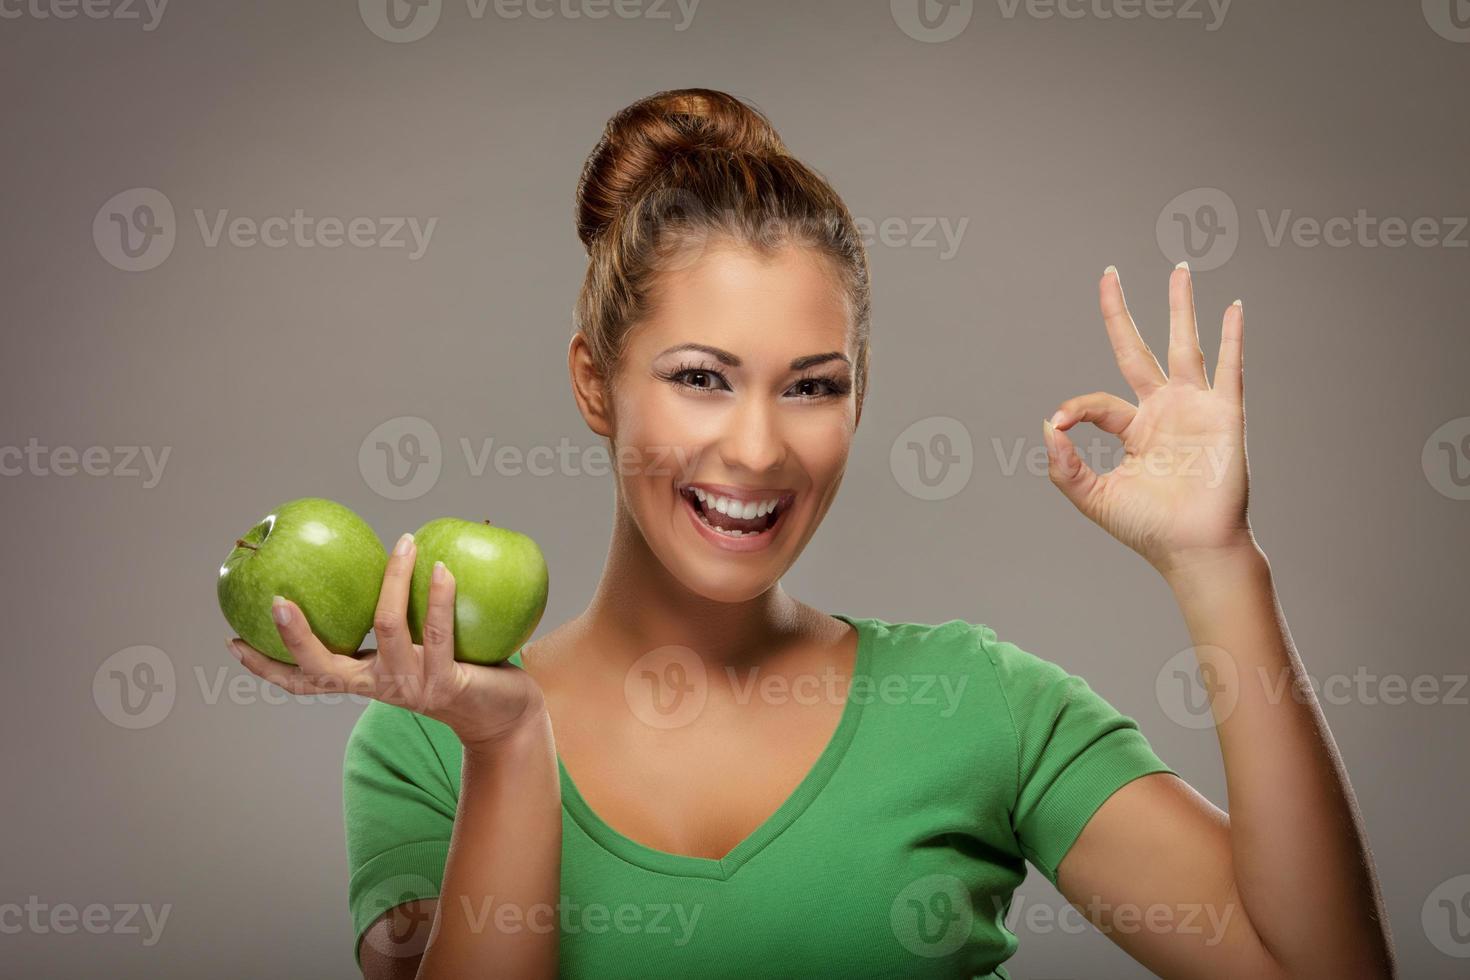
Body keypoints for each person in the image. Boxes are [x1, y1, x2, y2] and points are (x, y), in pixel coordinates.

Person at [228, 88, 1396, 979]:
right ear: (596, 384)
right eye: (700, 376)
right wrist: (510, 750)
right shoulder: (429, 739)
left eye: (812, 385)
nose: (757, 448)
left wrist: (1216, 563)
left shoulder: (977, 701)